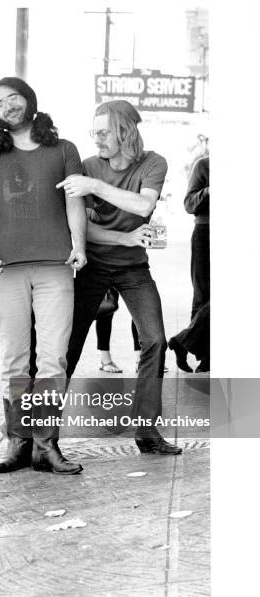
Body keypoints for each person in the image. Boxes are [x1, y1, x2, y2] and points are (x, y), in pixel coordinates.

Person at [0, 77, 87, 474]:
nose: (8, 106)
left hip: (55, 266)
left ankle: (46, 445)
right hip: (5, 269)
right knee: (15, 361)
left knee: (53, 358)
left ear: (28, 100)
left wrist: (79, 245)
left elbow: (74, 204)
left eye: (13, 97)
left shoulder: (64, 149)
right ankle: (18, 443)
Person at [59, 99, 181, 455]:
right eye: (92, 132)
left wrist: (94, 187)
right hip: (92, 265)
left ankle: (146, 431)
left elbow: (143, 206)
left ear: (124, 131)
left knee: (155, 340)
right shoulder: (86, 166)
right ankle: (39, 427)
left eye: (102, 132)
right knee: (68, 344)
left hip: (133, 268)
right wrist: (123, 236)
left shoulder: (153, 163)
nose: (95, 139)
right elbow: (80, 228)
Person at [168, 155, 210, 373]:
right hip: (206, 232)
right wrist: (211, 189)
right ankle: (205, 356)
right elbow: (189, 204)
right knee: (202, 297)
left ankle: (183, 342)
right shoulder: (204, 164)